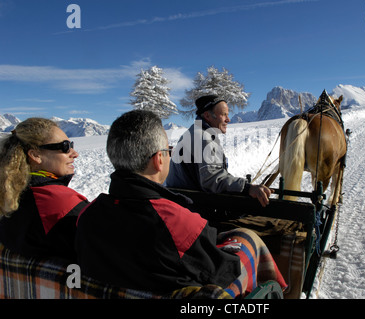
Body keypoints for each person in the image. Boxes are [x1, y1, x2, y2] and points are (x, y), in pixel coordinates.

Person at [76, 110, 286, 296]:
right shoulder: (178, 223)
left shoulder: (87, 216)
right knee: (248, 238)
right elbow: (224, 272)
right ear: (159, 159)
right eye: (168, 150)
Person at [0, 118, 88, 261]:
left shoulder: (9, 196)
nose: (75, 153)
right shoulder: (61, 202)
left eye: (71, 145)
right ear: (35, 155)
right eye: (65, 147)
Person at [165, 95, 272, 207]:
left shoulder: (194, 132)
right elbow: (212, 180)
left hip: (184, 201)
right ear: (207, 115)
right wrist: (247, 188)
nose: (228, 119)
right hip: (194, 207)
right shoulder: (204, 138)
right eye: (223, 114)